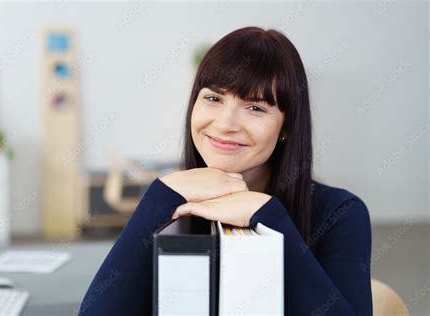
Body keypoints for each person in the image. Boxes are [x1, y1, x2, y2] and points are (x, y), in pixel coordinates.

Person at [79, 26, 372, 315]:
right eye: (213, 98)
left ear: (287, 127)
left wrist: (269, 218)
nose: (225, 123)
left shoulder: (340, 213)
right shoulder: (174, 199)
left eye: (255, 107)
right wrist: (160, 197)